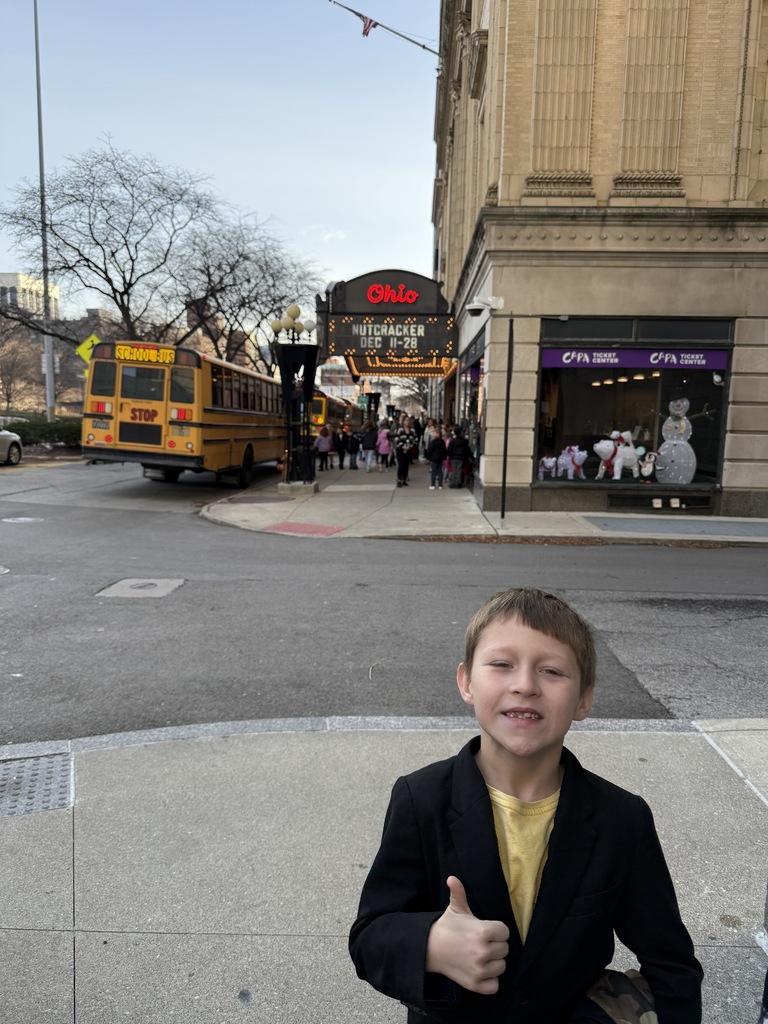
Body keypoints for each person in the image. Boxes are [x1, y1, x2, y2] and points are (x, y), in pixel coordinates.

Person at [349, 587, 703, 1024]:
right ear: (466, 682)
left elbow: (672, 965)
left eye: (552, 670)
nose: (525, 685)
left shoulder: (621, 818)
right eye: (501, 664)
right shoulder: (420, 799)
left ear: (584, 699)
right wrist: (430, 945)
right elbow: (369, 938)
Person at [394, 416, 417, 487]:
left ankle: (404, 479)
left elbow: (415, 438)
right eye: (406, 420)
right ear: (403, 421)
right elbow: (397, 439)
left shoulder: (412, 430)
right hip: (400, 450)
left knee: (406, 465)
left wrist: (412, 444)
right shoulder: (400, 429)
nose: (407, 422)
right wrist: (402, 446)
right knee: (401, 464)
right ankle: (399, 479)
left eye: (408, 420)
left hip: (408, 450)